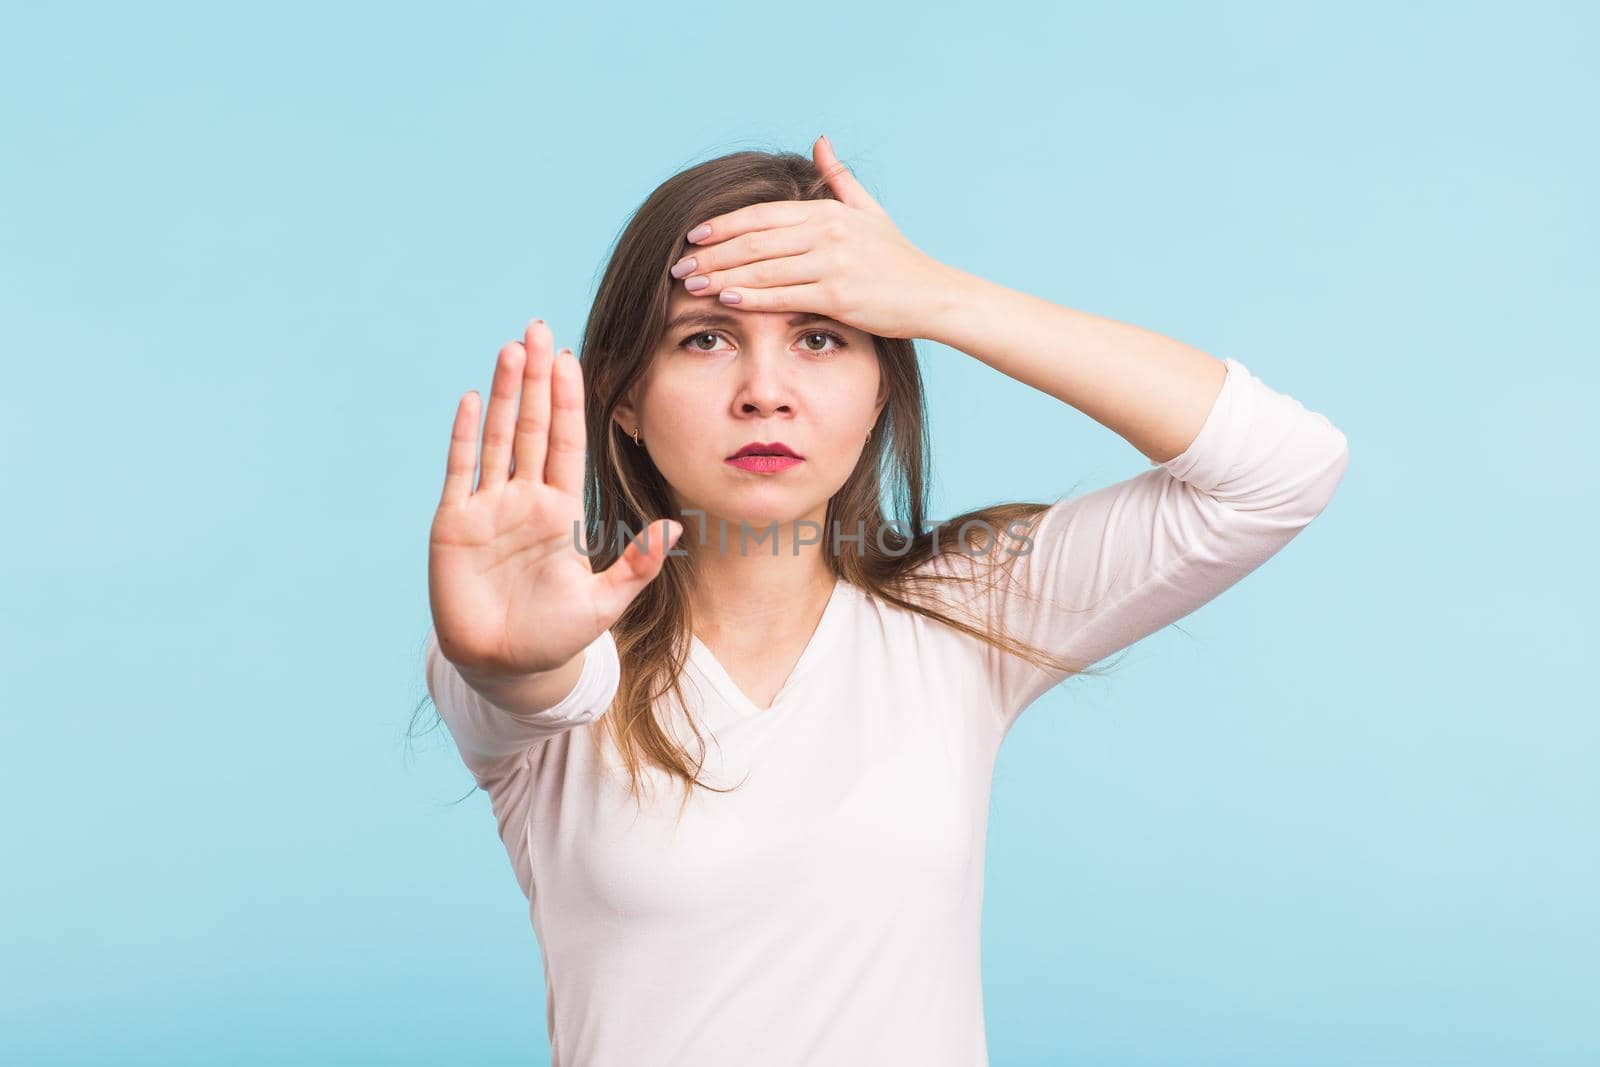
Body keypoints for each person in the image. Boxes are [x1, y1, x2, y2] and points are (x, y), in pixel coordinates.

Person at [420, 136, 1350, 1066]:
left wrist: (940, 298)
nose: (766, 393)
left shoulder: (967, 616)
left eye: (820, 337)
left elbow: (1281, 468)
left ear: (878, 397)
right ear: (622, 398)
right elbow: (525, 675)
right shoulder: (554, 648)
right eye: (705, 338)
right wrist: (507, 658)